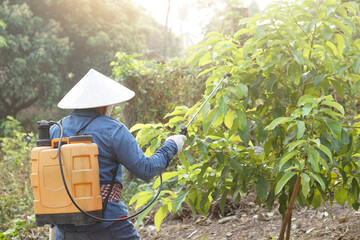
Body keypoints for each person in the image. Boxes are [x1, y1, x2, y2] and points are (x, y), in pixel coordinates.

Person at [50, 69, 186, 240]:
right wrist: (171, 145)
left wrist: (54, 230)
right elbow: (146, 169)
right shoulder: (113, 129)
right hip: (108, 223)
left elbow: (52, 180)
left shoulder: (56, 130)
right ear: (105, 103)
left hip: (66, 227)